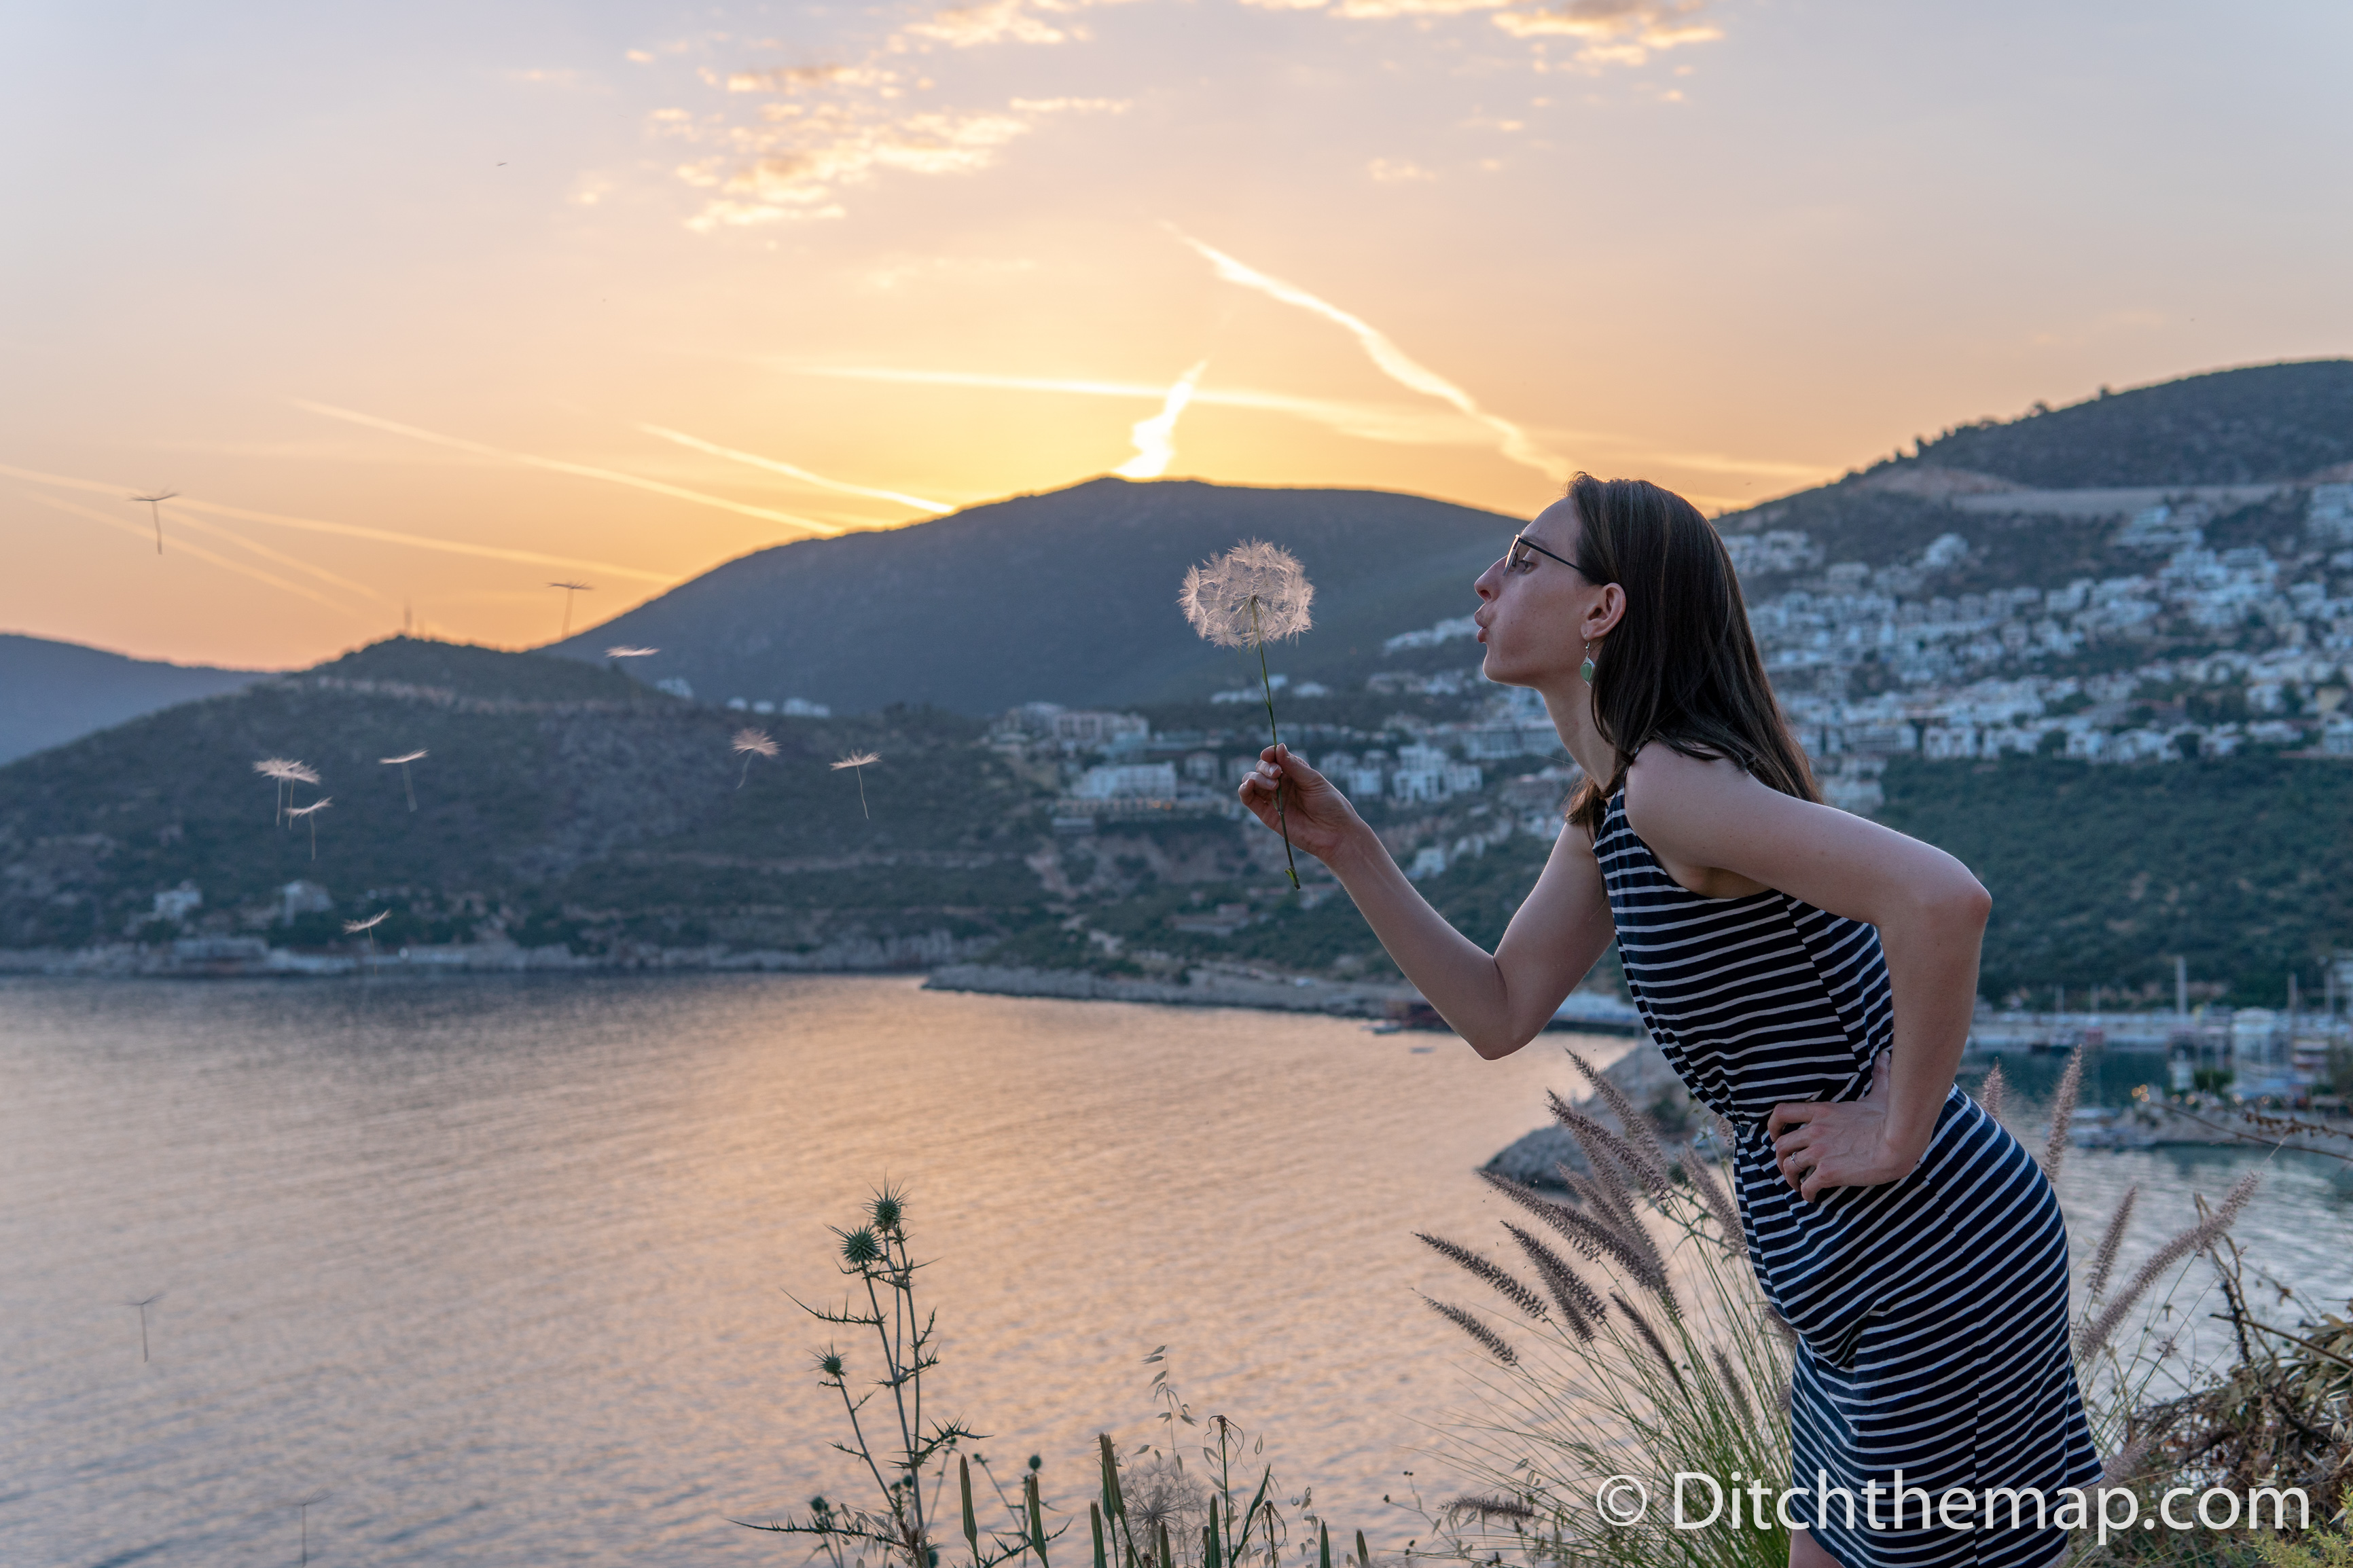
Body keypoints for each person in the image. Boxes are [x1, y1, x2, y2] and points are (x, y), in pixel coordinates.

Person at [1236, 474, 2099, 1568]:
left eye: (1524, 557)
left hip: (1927, 1253)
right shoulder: (1613, 814)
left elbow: (1944, 900)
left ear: (1604, 610)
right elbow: (1499, 1010)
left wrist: (1899, 1131)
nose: (1486, 579)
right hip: (1844, 1269)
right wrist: (1349, 847)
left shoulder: (1668, 787)